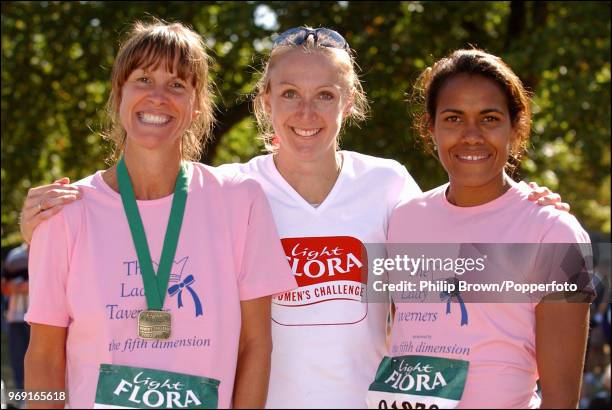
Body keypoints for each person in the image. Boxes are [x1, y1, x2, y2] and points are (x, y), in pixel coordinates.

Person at [19, 28, 569, 408]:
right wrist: (47, 235)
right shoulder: (232, 191)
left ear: (349, 102)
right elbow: (145, 210)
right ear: (265, 102)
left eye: (325, 95)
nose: (307, 113)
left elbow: (449, 266)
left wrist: (527, 211)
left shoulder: (389, 185)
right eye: (289, 94)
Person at [23, 20, 296, 409]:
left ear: (197, 104)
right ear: (119, 94)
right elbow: (44, 357)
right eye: (143, 79)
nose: (158, 97)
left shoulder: (241, 202)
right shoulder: (65, 213)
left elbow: (255, 345)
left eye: (177, 85)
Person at [370, 49, 592, 408]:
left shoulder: (552, 232)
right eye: (454, 118)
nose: (471, 135)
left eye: (489, 118)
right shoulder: (403, 219)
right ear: (431, 127)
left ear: (515, 126)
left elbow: (561, 399)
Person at [1, 243, 30, 392]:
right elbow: (4, 287)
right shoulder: (15, 256)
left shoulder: (54, 251)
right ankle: (21, 399)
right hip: (16, 317)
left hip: (45, 318)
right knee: (18, 360)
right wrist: (19, 287)